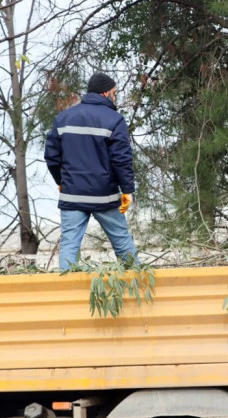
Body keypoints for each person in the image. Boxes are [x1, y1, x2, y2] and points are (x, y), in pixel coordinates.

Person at [45, 72, 139, 270]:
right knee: (122, 241)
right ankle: (139, 284)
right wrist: (127, 190)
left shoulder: (63, 118)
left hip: (73, 194)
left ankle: (66, 292)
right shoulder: (114, 120)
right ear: (105, 94)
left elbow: (52, 157)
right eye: (114, 92)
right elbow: (121, 160)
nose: (115, 96)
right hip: (104, 195)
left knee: (70, 244)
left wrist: (61, 182)